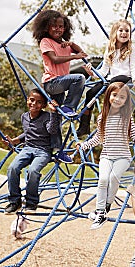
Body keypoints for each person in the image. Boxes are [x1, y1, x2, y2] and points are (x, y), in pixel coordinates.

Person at [76, 82, 135, 230]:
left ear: (126, 101)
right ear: (108, 95)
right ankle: (99, 211)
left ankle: (105, 209)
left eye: (122, 97)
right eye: (114, 95)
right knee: (103, 179)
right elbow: (98, 138)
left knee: (113, 178)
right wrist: (83, 145)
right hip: (106, 155)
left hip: (122, 156)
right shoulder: (102, 117)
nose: (117, 99)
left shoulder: (127, 118)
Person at [32, 9, 88, 163]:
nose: (58, 29)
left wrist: (71, 44)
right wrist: (74, 56)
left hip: (61, 84)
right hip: (52, 82)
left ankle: (58, 150)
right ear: (46, 27)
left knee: (55, 118)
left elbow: (82, 52)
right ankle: (69, 106)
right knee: (79, 78)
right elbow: (54, 59)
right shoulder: (46, 41)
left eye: (61, 26)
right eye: (54, 26)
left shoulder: (64, 44)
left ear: (66, 28)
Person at [79, 19, 135, 137]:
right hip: (110, 79)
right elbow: (104, 71)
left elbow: (134, 66)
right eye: (121, 30)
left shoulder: (131, 50)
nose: (124, 33)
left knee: (111, 89)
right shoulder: (110, 49)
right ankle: (84, 126)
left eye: (127, 31)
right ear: (114, 33)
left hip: (125, 78)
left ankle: (119, 126)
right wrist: (92, 73)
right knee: (90, 93)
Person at [4, 89, 59, 214]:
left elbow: (52, 131)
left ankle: (31, 202)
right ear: (27, 100)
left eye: (39, 102)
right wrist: (15, 140)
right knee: (12, 168)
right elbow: (27, 133)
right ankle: (15, 201)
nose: (34, 104)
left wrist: (54, 113)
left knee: (33, 171)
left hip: (43, 151)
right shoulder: (24, 117)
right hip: (28, 148)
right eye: (32, 100)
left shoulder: (47, 116)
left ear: (44, 105)